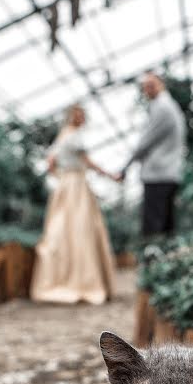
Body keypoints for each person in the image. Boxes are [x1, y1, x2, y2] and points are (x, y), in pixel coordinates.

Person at [30, 104, 118, 305]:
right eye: (79, 115)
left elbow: (50, 162)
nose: (81, 118)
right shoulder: (75, 136)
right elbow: (88, 162)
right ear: (73, 117)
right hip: (77, 185)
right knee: (80, 230)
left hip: (64, 186)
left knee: (61, 230)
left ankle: (60, 279)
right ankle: (83, 281)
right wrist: (110, 175)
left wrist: (60, 177)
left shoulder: (62, 136)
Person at [118, 72, 186, 236]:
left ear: (161, 84)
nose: (147, 90)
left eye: (151, 85)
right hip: (169, 172)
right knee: (166, 226)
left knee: (153, 229)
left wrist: (124, 168)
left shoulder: (162, 107)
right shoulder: (169, 106)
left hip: (158, 174)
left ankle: (154, 260)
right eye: (145, 87)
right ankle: (167, 259)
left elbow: (145, 142)